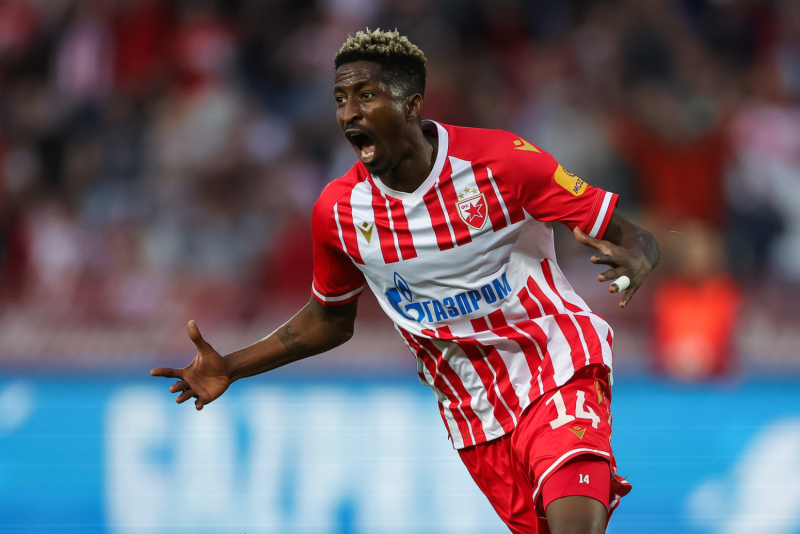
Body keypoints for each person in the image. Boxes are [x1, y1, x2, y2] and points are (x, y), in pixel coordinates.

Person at [151, 29, 660, 534]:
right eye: (340, 99)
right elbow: (329, 320)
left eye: (365, 96)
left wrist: (641, 255)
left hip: (557, 367)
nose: (349, 113)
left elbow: (629, 232)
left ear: (411, 105)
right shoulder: (339, 212)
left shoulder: (503, 161)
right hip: (475, 416)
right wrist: (233, 366)